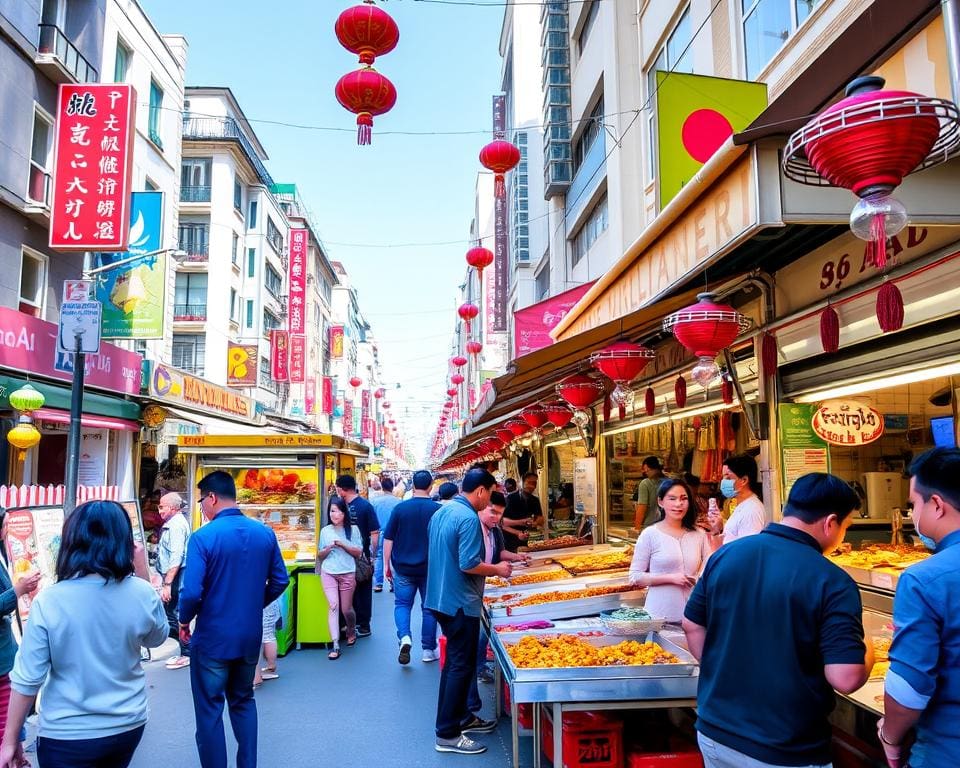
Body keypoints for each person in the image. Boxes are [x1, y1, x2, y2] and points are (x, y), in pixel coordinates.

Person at [682, 473, 872, 768]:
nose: (842, 535)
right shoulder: (832, 580)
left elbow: (692, 624)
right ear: (831, 522)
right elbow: (845, 677)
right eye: (846, 526)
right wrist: (868, 648)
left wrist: (724, 668)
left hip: (715, 732)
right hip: (785, 747)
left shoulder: (726, 555)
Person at [0, 501, 167, 768]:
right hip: (127, 724)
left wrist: (9, 741)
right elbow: (157, 638)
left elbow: (28, 679)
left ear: (71, 541)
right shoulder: (141, 592)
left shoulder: (51, 601)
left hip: (67, 733)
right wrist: (143, 573)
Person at [178, 471, 290, 768]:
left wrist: (184, 620)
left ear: (212, 498)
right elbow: (280, 580)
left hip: (213, 636)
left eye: (202, 500)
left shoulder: (203, 537)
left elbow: (190, 592)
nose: (201, 507)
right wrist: (254, 603)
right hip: (249, 635)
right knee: (243, 702)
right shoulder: (264, 532)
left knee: (210, 711)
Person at [879, 447, 960, 768]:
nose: (913, 513)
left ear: (937, 504)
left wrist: (890, 736)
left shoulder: (924, 578)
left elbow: (909, 688)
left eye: (914, 504)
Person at [425, 468, 512, 755]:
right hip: (460, 602)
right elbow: (468, 563)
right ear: (481, 491)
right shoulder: (467, 518)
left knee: (454, 666)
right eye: (488, 493)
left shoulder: (442, 512)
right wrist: (498, 569)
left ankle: (461, 718)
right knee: (460, 666)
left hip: (439, 597)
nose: (487, 501)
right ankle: (447, 733)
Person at [469, 492, 527, 699]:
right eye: (492, 512)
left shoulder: (494, 530)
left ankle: (479, 666)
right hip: (474, 589)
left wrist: (516, 557)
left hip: (485, 586)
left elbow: (499, 552)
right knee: (478, 633)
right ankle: (477, 668)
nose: (496, 517)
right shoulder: (472, 528)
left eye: (500, 514)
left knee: (483, 631)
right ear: (482, 506)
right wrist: (496, 570)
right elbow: (470, 563)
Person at [628, 478, 711, 622]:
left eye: (683, 498)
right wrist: (670, 578)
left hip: (694, 614)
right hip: (659, 615)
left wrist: (699, 577)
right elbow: (635, 576)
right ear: (661, 502)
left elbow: (710, 563)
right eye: (672, 498)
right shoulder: (650, 534)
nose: (678, 504)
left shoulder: (699, 534)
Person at [383, 470, 441, 665]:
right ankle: (428, 649)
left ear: (413, 486)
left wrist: (386, 565)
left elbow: (388, 538)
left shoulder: (400, 509)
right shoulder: (437, 509)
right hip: (430, 569)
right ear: (431, 486)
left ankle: (405, 637)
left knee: (402, 605)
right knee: (429, 608)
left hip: (403, 567)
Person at [0, 515, 40, 768]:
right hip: (2, 663)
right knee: (7, 730)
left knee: (11, 732)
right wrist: (17, 591)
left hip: (6, 656)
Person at [316, 495, 363, 661]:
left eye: (337, 511)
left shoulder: (353, 530)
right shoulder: (325, 531)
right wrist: (327, 549)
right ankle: (335, 644)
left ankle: (351, 629)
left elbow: (359, 553)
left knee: (346, 609)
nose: (333, 515)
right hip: (328, 572)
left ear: (344, 513)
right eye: (331, 511)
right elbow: (320, 555)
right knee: (333, 606)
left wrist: (343, 544)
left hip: (347, 572)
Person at [335, 474, 379, 637]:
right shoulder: (366, 506)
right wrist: (373, 556)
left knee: (345, 589)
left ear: (341, 488)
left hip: (341, 556)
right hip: (362, 556)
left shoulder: (337, 507)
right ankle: (363, 624)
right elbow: (374, 534)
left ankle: (345, 624)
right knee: (363, 591)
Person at [157, 491, 191, 670]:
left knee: (174, 614)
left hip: (176, 576)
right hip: (174, 576)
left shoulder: (176, 526)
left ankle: (187, 652)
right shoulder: (175, 524)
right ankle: (186, 650)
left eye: (161, 506)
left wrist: (168, 583)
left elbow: (176, 555)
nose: (159, 510)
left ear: (171, 507)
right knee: (171, 613)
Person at [706, 454, 765, 550]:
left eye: (728, 478)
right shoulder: (742, 506)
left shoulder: (751, 511)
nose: (723, 482)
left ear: (744, 480)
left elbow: (748, 551)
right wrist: (720, 528)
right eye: (723, 478)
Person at [371, 477, 401, 593]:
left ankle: (378, 583)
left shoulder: (374, 502)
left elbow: (372, 520)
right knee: (393, 557)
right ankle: (393, 583)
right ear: (392, 487)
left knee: (378, 557)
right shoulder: (398, 502)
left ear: (382, 487)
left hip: (378, 532)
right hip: (394, 533)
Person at [502, 472, 543, 553]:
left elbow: (541, 519)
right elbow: (502, 523)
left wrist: (535, 523)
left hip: (524, 540)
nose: (532, 486)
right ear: (522, 483)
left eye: (534, 483)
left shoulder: (534, 500)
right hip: (508, 541)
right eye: (529, 483)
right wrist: (520, 526)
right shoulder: (510, 499)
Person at [253, 596, 282, 685]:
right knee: (268, 635)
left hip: (255, 601)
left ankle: (256, 677)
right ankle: (271, 665)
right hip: (270, 599)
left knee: (256, 638)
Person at [633, 456, 666, 531]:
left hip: (650, 527)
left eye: (645, 469)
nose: (645, 472)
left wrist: (637, 528)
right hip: (667, 527)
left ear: (648, 468)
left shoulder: (645, 483)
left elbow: (642, 507)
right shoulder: (669, 482)